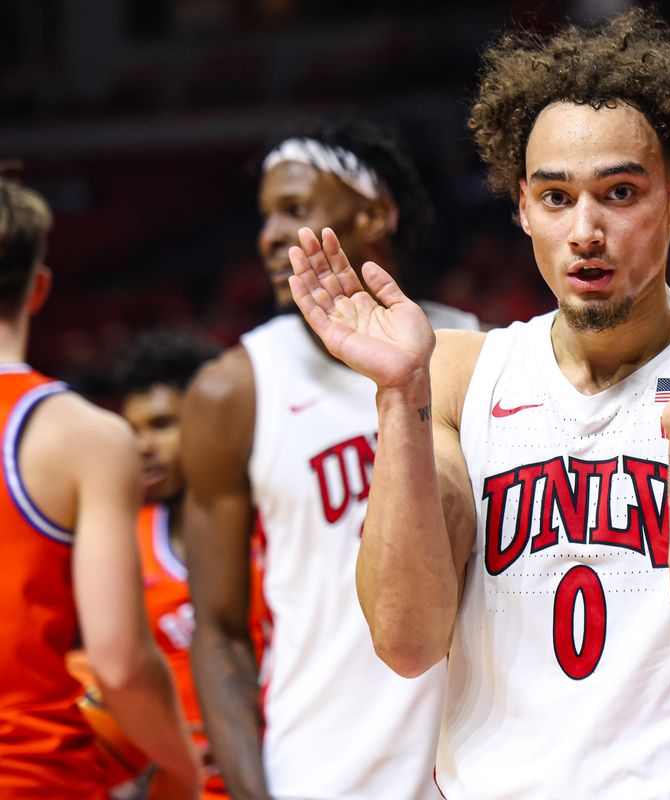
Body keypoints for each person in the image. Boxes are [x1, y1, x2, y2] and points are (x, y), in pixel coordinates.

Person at [288, 10, 670, 798]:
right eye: (556, 198)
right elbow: (407, 642)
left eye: (618, 193)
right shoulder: (454, 374)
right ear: (521, 208)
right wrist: (398, 397)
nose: (585, 230)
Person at [183, 118, 477, 800]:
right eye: (265, 217)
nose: (267, 236)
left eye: (294, 210)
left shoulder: (476, 350)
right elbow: (220, 628)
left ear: (375, 213)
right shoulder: (236, 388)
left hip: (472, 769)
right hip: (317, 772)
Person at [0, 178, 201, 798]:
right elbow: (119, 662)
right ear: (38, 290)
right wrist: (180, 766)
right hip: (33, 773)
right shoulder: (81, 435)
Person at [116, 330, 257, 798]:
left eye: (161, 425)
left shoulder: (270, 526)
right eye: (132, 430)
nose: (142, 446)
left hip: (289, 761)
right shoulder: (121, 539)